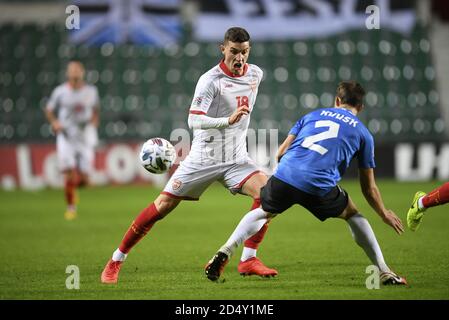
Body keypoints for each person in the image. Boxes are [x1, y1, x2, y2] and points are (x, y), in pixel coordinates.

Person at [101, 27, 278, 284]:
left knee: (270, 197)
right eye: (234, 52)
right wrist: (226, 121)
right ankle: (116, 260)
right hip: (203, 159)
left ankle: (248, 259)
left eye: (245, 52)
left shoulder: (255, 74)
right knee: (162, 207)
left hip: (236, 158)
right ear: (223, 49)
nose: (240, 58)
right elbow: (193, 120)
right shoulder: (210, 80)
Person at [205, 81, 408, 286]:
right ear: (361, 107)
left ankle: (227, 249)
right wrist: (383, 213)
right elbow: (368, 188)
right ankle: (383, 271)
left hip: (287, 174)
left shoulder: (311, 116)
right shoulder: (364, 134)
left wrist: (291, 173)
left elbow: (280, 153)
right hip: (319, 185)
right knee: (353, 214)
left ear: (337, 101)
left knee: (264, 210)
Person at [44, 61, 100, 220]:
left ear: (82, 73)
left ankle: (77, 186)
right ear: (68, 74)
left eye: (77, 70)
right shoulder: (60, 92)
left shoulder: (91, 91)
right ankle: (71, 208)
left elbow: (96, 109)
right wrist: (54, 122)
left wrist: (95, 121)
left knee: (85, 180)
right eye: (72, 71)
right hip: (66, 135)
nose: (75, 73)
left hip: (85, 136)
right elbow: (49, 110)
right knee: (68, 172)